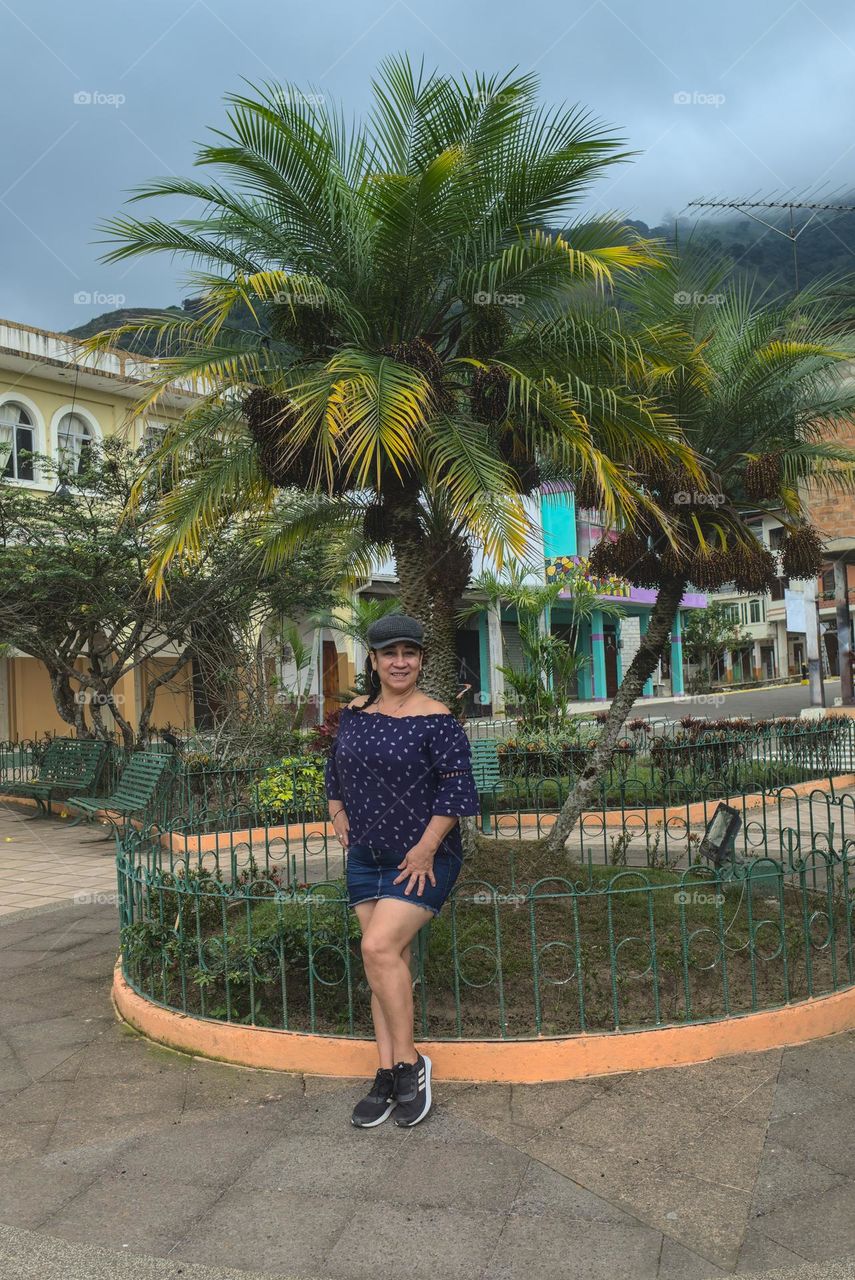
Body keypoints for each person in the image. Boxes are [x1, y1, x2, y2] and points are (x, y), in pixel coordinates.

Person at [324, 612, 479, 1128]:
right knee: (384, 965)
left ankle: (411, 1063)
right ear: (373, 660)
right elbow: (335, 771)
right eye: (389, 653)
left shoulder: (437, 718)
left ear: (420, 660)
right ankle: (385, 1071)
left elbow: (458, 791)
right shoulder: (355, 713)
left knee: (377, 948)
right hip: (366, 856)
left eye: (408, 653)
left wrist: (425, 848)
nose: (399, 661)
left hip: (423, 858)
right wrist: (338, 812)